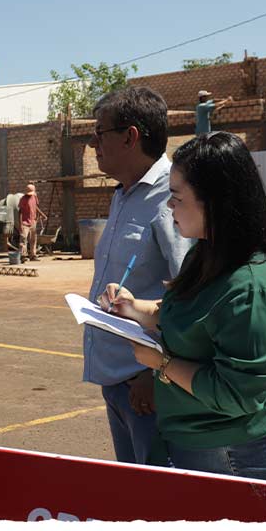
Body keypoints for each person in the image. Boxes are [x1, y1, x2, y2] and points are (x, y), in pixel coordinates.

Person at [100, 132, 266, 482]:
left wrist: (162, 363)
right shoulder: (205, 252)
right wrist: (133, 308)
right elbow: (190, 316)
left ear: (215, 202)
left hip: (258, 448)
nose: (169, 207)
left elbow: (235, 393)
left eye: (176, 198)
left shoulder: (253, 287)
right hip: (212, 440)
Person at [84, 86, 194, 464]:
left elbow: (191, 295)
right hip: (119, 380)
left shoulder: (173, 196)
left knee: (159, 503)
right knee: (133, 495)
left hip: (148, 387)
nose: (92, 143)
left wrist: (158, 372)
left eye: (100, 133)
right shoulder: (124, 193)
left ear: (130, 136)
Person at [18, 183, 46, 261]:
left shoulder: (34, 197)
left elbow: (35, 207)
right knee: (23, 239)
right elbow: (20, 212)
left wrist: (42, 214)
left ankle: (33, 255)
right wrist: (20, 224)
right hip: (25, 223)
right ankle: (23, 256)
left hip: (33, 221)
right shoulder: (23, 199)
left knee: (33, 239)